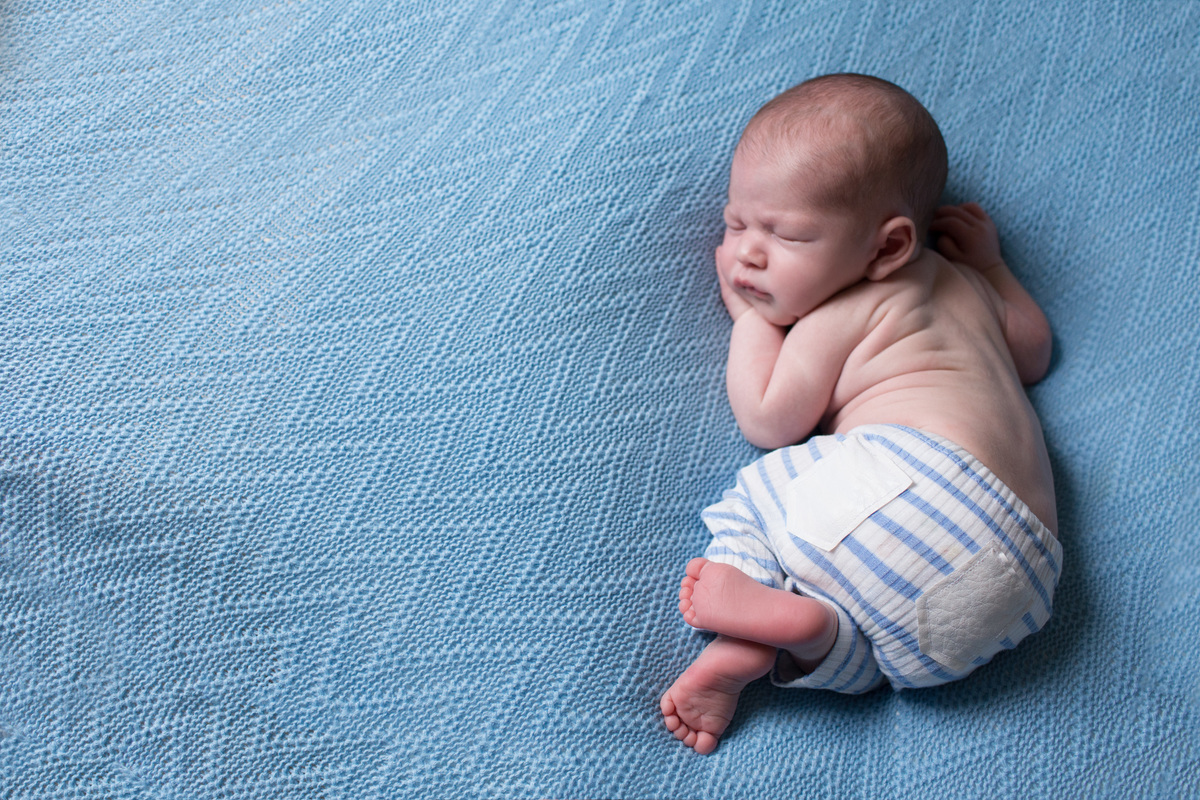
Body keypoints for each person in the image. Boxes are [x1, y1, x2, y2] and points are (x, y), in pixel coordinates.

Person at [660, 73, 1062, 755]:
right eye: (736, 223)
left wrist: (754, 321)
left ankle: (769, 621)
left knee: (757, 500)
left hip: (922, 484)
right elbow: (1034, 354)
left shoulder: (846, 311)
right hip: (1018, 587)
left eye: (784, 236)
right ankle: (813, 633)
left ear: (886, 249)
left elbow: (768, 419)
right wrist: (994, 270)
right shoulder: (963, 284)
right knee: (884, 661)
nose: (749, 252)